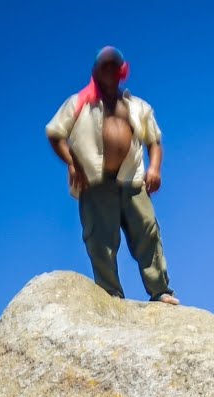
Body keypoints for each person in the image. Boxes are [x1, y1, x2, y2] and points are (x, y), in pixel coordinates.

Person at [46, 46, 180, 305]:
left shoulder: (137, 106)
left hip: (131, 178)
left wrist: (154, 169)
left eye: (113, 66)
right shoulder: (80, 102)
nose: (109, 71)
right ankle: (111, 295)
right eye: (104, 66)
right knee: (100, 239)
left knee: (148, 230)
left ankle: (160, 290)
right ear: (96, 71)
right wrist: (73, 164)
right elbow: (55, 133)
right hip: (95, 180)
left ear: (121, 71)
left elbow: (154, 141)